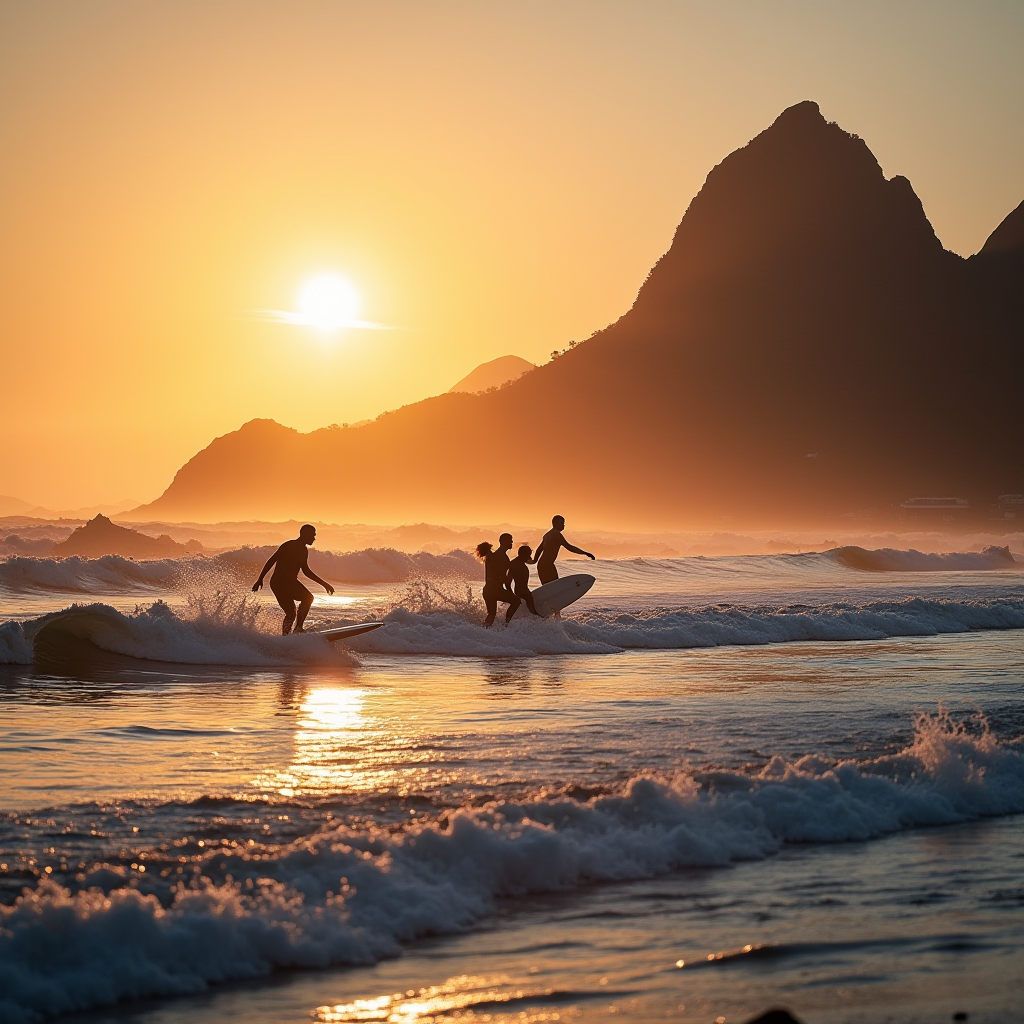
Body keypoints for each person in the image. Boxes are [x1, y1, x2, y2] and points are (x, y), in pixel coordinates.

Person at [252, 524, 335, 635]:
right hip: (281, 582)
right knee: (307, 598)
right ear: (305, 534)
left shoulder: (303, 550)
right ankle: (298, 628)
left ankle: (286, 637)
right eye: (313, 535)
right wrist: (260, 579)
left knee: (291, 613)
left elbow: (306, 571)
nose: (314, 538)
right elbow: (271, 561)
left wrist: (324, 584)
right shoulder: (288, 545)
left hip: (282, 583)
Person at [533, 515, 595, 585]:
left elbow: (539, 550)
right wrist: (585, 553)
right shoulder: (556, 534)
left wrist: (535, 560)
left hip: (542, 565)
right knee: (554, 586)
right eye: (562, 523)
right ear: (555, 523)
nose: (563, 525)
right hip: (547, 565)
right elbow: (569, 547)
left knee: (549, 587)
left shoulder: (547, 535)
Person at [476, 533, 514, 627]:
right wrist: (510, 592)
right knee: (516, 601)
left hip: (488, 590)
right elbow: (502, 577)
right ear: (503, 542)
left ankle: (482, 630)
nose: (512, 542)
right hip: (494, 590)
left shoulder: (496, 555)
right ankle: (506, 625)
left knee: (491, 614)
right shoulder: (500, 557)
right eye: (510, 540)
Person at [505, 544, 539, 623]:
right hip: (521, 591)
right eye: (528, 555)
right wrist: (511, 594)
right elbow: (508, 582)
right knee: (531, 607)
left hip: (523, 590)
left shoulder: (519, 562)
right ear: (523, 554)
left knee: (524, 606)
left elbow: (532, 561)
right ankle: (507, 622)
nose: (529, 557)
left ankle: (510, 621)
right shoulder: (514, 564)